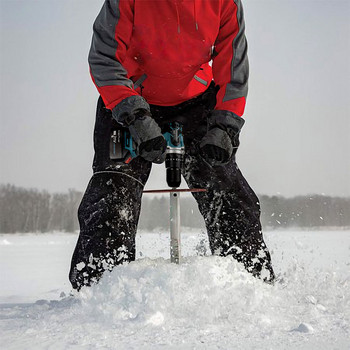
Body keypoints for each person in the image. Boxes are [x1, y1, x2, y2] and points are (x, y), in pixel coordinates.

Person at [69, 0, 275, 290]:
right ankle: (97, 291)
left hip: (196, 104)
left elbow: (233, 66)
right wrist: (135, 116)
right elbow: (105, 57)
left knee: (228, 194)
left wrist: (225, 125)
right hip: (128, 103)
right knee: (113, 194)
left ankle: (252, 287)